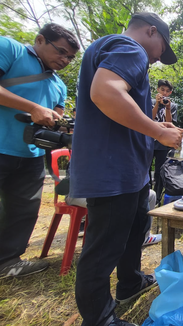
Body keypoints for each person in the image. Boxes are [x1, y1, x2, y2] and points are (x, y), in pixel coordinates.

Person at [70, 12, 183, 326]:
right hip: (111, 169)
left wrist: (155, 127)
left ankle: (130, 282)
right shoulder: (129, 47)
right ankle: (99, 319)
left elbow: (121, 109)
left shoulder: (114, 49)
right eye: (163, 48)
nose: (159, 58)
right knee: (103, 247)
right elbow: (105, 92)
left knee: (134, 230)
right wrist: (160, 133)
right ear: (151, 31)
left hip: (128, 170)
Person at [0, 24, 80, 279]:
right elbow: (37, 110)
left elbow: (56, 118)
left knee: (23, 210)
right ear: (40, 39)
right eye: (62, 52)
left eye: (70, 57)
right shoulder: (10, 49)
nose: (65, 60)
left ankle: (8, 262)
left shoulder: (59, 85)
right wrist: (33, 107)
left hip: (31, 154)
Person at [152, 79, 178, 205]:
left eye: (167, 91)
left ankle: (157, 197)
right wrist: (157, 104)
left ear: (170, 93)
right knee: (145, 168)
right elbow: (149, 119)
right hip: (149, 140)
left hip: (163, 143)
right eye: (162, 90)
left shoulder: (172, 106)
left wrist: (167, 107)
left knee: (159, 171)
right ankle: (147, 195)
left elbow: (170, 124)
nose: (165, 93)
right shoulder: (150, 102)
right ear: (158, 90)